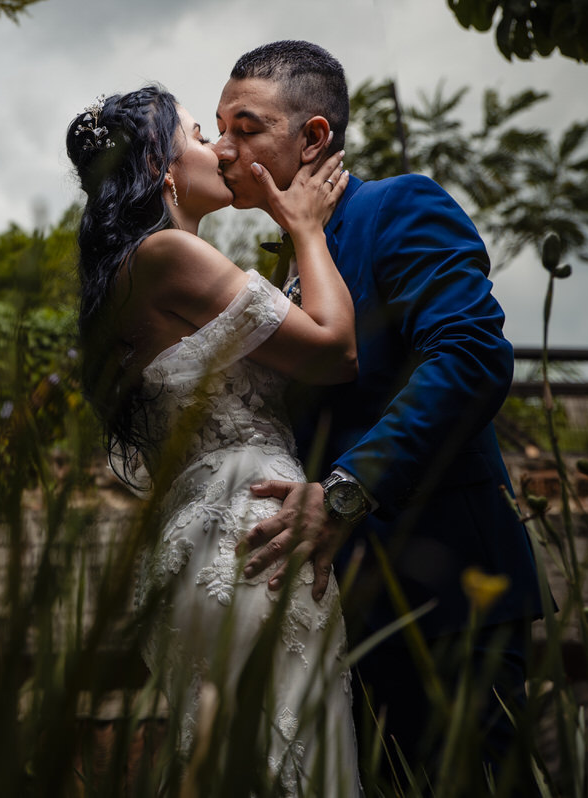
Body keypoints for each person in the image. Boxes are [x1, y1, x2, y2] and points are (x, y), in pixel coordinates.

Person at [212, 41, 545, 791]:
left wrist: (345, 493)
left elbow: (470, 356)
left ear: (315, 137)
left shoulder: (399, 206)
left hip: (445, 597)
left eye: (247, 126)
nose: (223, 148)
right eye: (216, 128)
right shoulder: (285, 269)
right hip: (339, 621)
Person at [66, 86, 362, 796]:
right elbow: (331, 350)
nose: (222, 150)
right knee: (295, 762)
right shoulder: (169, 254)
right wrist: (308, 231)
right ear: (160, 165)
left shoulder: (125, 282)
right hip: (254, 528)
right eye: (201, 137)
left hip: (193, 544)